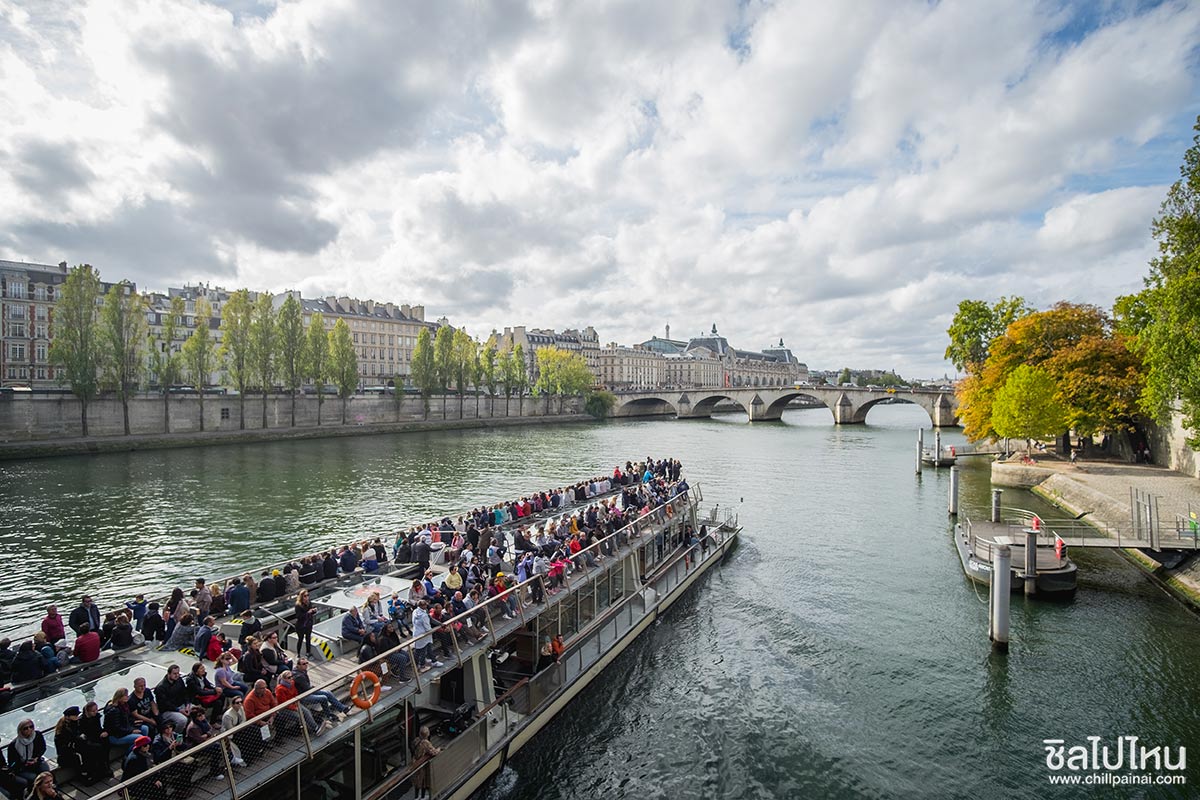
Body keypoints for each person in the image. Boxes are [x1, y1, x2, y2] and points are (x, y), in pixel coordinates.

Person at [5, 720, 48, 791]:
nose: (29, 729)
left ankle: (50, 791)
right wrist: (24, 763)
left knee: (46, 773)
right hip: (22, 768)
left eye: (31, 727)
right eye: (25, 728)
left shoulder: (37, 735)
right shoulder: (14, 745)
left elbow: (43, 748)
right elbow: (12, 763)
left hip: (37, 762)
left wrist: (36, 758)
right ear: (20, 730)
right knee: (34, 778)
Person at [155, 664, 191, 731]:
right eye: (174, 673)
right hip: (168, 711)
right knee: (182, 720)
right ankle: (176, 735)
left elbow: (185, 693)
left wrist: (187, 705)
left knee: (196, 710)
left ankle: (191, 732)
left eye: (178, 673)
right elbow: (165, 704)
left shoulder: (179, 680)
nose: (177, 675)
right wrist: (179, 710)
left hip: (181, 705)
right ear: (168, 674)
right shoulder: (161, 687)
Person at [410, 726, 440, 800]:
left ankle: (416, 797)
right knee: (423, 781)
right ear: (427, 734)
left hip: (415, 763)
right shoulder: (426, 743)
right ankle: (422, 797)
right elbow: (434, 752)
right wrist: (439, 749)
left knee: (417, 782)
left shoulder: (416, 740)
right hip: (422, 766)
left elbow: (412, 748)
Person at [294, 589, 316, 658]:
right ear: (301, 597)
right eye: (305, 596)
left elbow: (311, 612)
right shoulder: (298, 605)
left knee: (308, 638)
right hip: (301, 625)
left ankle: (308, 652)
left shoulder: (309, 603)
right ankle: (298, 653)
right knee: (300, 639)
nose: (306, 597)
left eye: (307, 595)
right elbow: (298, 616)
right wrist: (307, 613)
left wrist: (313, 611)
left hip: (308, 624)